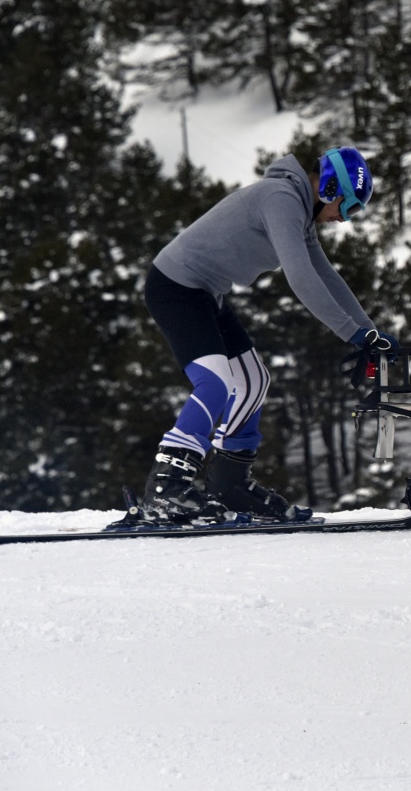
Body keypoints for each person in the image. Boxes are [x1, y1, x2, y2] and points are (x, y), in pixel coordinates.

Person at [139, 147, 397, 523]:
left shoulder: (296, 210)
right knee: (215, 382)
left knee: (253, 381)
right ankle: (167, 485)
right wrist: (353, 332)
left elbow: (326, 275)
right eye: (348, 207)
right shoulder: (281, 201)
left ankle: (229, 485)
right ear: (329, 189)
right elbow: (301, 278)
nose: (343, 220)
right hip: (175, 287)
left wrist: (370, 334)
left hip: (206, 291)